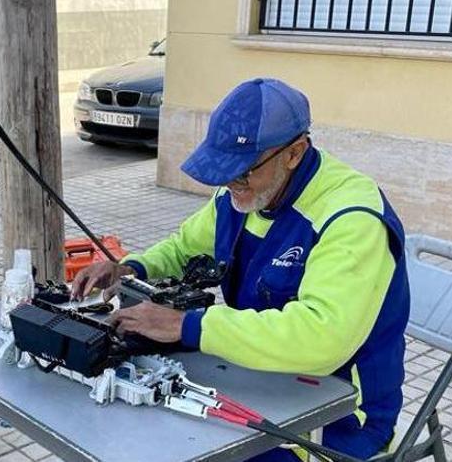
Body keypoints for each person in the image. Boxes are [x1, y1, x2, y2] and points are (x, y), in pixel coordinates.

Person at [72, 78, 410, 461]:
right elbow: (184, 247)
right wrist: (131, 268)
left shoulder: (352, 217)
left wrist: (189, 326)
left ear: (294, 153)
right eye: (224, 169)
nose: (232, 183)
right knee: (143, 426)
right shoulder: (244, 193)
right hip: (256, 378)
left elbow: (322, 337)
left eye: (243, 171)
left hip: (339, 415)